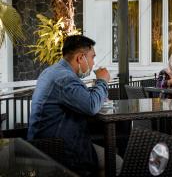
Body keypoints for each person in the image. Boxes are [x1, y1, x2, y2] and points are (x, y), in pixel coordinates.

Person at [27, 35, 122, 176]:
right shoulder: (65, 78)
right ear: (80, 58)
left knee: (107, 154)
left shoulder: (52, 72)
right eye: (92, 57)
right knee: (117, 164)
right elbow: (91, 106)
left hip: (42, 145)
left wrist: (95, 94)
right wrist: (102, 81)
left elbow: (77, 96)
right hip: (59, 150)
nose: (93, 63)